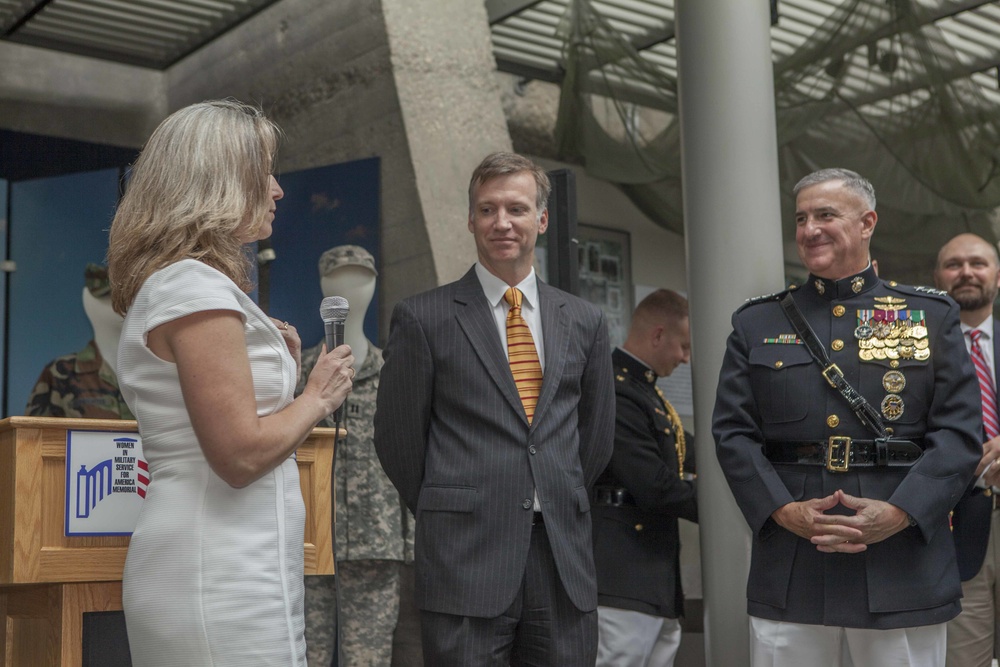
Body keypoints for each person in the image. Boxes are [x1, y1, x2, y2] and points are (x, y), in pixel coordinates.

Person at [107, 99, 354, 667]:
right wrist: (316, 397)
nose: (277, 189)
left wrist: (283, 383)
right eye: (264, 171)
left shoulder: (185, 285)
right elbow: (238, 455)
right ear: (220, 181)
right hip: (217, 570)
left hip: (234, 561)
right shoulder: (191, 288)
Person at [712, 167, 982, 665]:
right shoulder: (757, 322)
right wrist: (781, 511)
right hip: (793, 562)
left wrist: (901, 513)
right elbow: (733, 433)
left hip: (900, 565)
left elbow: (960, 435)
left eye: (825, 214)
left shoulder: (929, 315)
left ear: (867, 223)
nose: (809, 228)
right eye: (801, 218)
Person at [373, 151, 616, 665]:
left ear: (542, 220)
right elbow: (398, 441)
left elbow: (594, 439)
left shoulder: (586, 321)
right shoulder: (424, 318)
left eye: (516, 209)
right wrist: (455, 505)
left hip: (561, 562)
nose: (501, 222)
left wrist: (552, 489)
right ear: (470, 220)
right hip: (465, 560)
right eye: (487, 210)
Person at [298, 244, 419, 667]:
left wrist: (408, 539)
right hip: (307, 541)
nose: (351, 287)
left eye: (361, 277)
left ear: (374, 285)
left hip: (375, 539)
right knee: (301, 657)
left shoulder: (395, 372)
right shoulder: (298, 371)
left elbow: (411, 454)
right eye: (338, 279)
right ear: (322, 287)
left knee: (368, 659)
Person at [592, 288, 698, 667]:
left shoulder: (646, 394)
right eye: (683, 347)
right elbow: (654, 486)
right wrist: (722, 503)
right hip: (623, 576)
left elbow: (690, 449)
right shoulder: (616, 391)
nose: (685, 359)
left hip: (652, 577)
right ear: (657, 335)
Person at [934, 233, 1000, 666]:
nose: (966, 272)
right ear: (937, 279)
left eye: (977, 263)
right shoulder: (917, 352)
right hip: (959, 535)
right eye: (954, 264)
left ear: (998, 275)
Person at [25, 263, 133, 419]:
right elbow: (34, 440)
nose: (120, 309)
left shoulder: (155, 370)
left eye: (127, 300)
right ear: (89, 303)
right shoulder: (61, 374)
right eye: (109, 299)